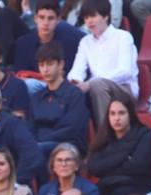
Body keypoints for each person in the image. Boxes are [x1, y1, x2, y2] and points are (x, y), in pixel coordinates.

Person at [67, 0, 137, 129]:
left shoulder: (123, 37)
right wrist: (76, 81)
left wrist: (92, 83)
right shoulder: (85, 41)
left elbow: (125, 72)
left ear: (106, 16)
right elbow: (77, 69)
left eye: (93, 16)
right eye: (86, 18)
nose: (89, 21)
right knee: (72, 90)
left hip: (124, 88)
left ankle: (105, 138)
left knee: (97, 85)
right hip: (97, 88)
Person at [86, 95, 151, 195]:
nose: (117, 118)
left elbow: (137, 167)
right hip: (109, 186)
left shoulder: (145, 135)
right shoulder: (105, 138)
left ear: (130, 115)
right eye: (112, 114)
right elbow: (93, 166)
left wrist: (107, 168)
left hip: (138, 186)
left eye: (121, 113)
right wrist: (125, 155)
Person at [30, 42, 88, 159]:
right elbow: (29, 126)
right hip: (38, 145)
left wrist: (40, 141)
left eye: (49, 64)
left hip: (66, 146)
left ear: (61, 64)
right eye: (41, 65)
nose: (45, 69)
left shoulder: (74, 94)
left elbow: (72, 129)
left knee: (36, 151)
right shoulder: (36, 97)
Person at [32, 143, 101, 195]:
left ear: (76, 166)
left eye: (68, 160)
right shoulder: (45, 190)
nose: (63, 164)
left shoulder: (90, 190)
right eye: (59, 160)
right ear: (53, 167)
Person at [13, 0, 83, 75]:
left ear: (58, 20)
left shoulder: (69, 44)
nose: (46, 23)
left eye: (50, 18)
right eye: (42, 17)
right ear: (35, 19)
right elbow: (20, 74)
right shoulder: (23, 43)